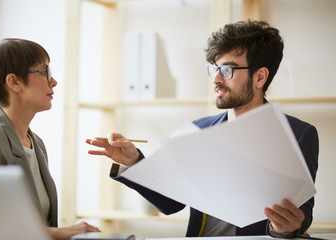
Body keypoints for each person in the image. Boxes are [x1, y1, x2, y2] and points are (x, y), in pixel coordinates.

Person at [86, 20, 319, 237]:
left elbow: (302, 213)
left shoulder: (299, 134)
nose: (216, 79)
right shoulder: (199, 130)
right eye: (214, 68)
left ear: (260, 77)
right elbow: (171, 204)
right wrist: (135, 161)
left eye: (227, 70)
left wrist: (283, 227)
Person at [0, 38, 101, 240]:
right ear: (14, 82)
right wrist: (61, 233)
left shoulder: (36, 143)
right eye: (44, 72)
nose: (53, 81)